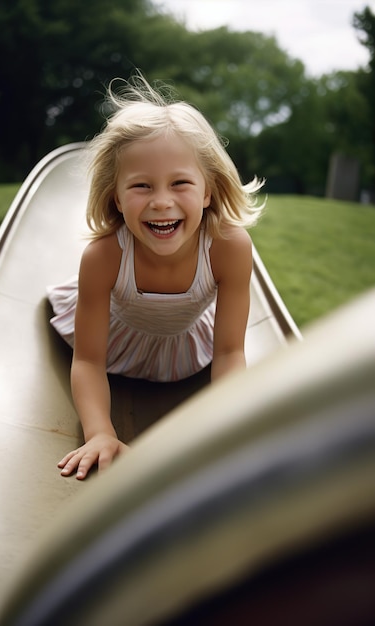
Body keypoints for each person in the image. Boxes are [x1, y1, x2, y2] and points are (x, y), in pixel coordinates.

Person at [48, 72, 265, 480]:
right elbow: (90, 359)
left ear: (208, 190)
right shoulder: (104, 255)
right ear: (115, 195)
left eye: (180, 183)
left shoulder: (228, 248)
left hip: (182, 349)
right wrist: (100, 433)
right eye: (141, 186)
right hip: (111, 339)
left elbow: (230, 353)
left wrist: (233, 425)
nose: (161, 202)